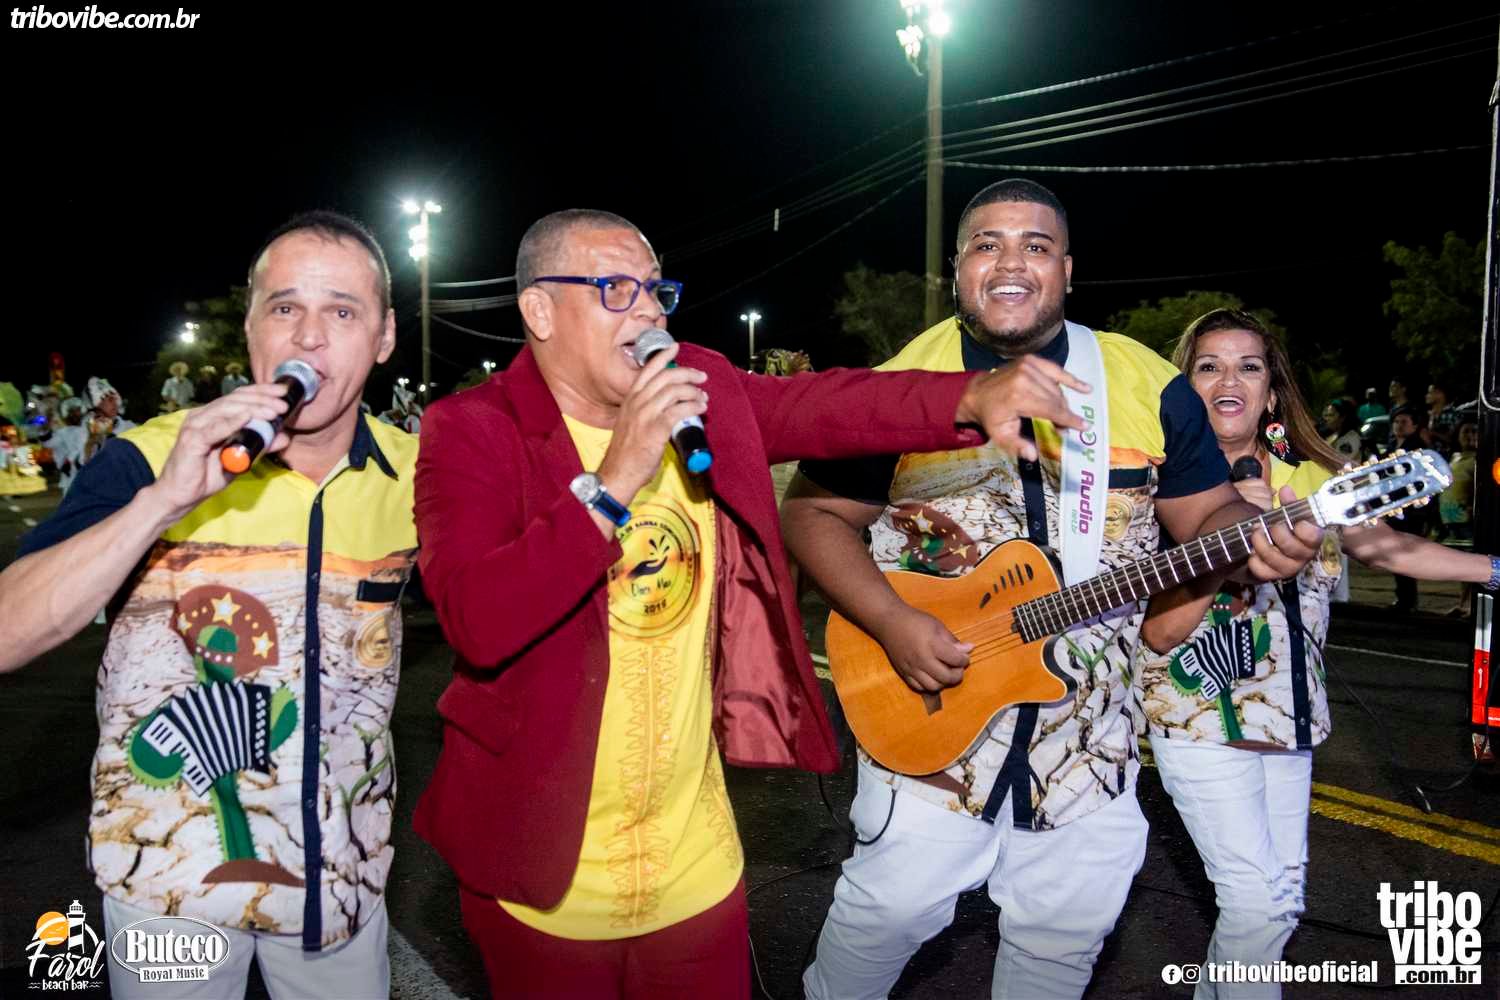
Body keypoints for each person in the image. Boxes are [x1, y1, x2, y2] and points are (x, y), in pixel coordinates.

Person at [411, 206, 1112, 1000]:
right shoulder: (473, 430)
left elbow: (827, 405)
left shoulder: (695, 390)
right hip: (545, 873)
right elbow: (477, 620)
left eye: (654, 290)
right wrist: (616, 479)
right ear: (540, 311)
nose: (647, 313)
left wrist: (972, 393)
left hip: (694, 866)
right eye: (614, 290)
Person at [781, 179, 1321, 1000]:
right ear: (957, 267)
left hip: (1092, 743)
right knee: (883, 918)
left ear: (1066, 269)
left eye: (1035, 246)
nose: (1011, 263)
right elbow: (812, 514)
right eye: (987, 244)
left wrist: (1253, 534)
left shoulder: (1144, 381)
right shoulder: (900, 381)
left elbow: (1206, 512)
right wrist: (890, 621)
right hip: (928, 721)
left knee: (1059, 948)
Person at [0, 210, 417, 998]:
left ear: (385, 336)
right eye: (285, 307)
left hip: (340, 881)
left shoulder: (419, 474)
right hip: (168, 886)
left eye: (342, 311)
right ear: (253, 327)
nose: (309, 338)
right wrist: (161, 503)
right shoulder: (150, 457)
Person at [1137, 309, 1494, 1000]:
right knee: (1255, 904)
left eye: (1248, 366)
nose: (1229, 379)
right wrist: (1225, 538)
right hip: (1196, 718)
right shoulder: (1157, 488)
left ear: (1271, 392)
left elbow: (1389, 547)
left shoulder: (1313, 484)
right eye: (1208, 366)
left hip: (1291, 721)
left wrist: (1495, 570)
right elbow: (1158, 632)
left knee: (1280, 903)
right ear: (1183, 391)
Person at [1387, 405, 1429, 610]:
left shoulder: (1417, 449)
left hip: (1411, 510)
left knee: (1405, 553)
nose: (1399, 425)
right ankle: (1404, 596)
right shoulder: (1391, 447)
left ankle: (1408, 598)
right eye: (1396, 422)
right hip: (1393, 507)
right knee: (1395, 553)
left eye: (1404, 422)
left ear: (1414, 425)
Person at [47, 396, 88, 494]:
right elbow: (48, 443)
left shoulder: (89, 429)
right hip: (71, 480)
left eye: (77, 410)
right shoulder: (61, 433)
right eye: (71, 411)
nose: (75, 414)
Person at [1424, 381, 1461, 454]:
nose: (1426, 396)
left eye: (1430, 393)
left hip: (1446, 456)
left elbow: (1452, 439)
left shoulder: (1454, 414)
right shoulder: (1426, 415)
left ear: (1440, 394)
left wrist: (1432, 433)